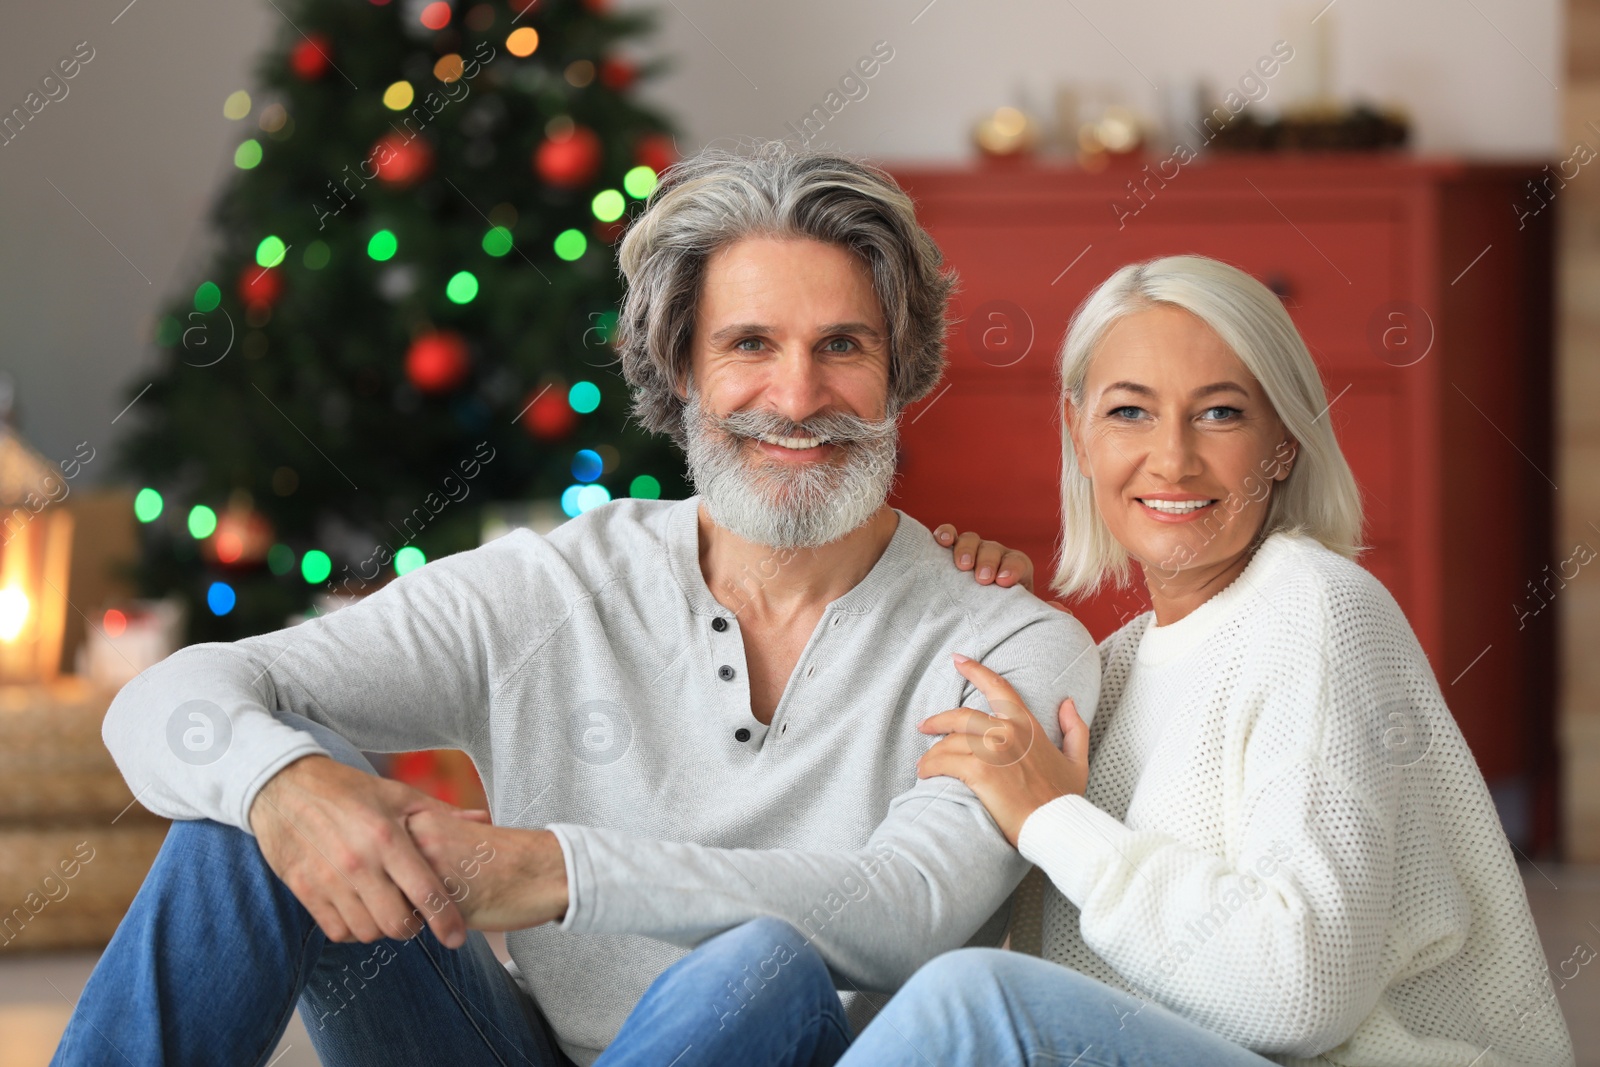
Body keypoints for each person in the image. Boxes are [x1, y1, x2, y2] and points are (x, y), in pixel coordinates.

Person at [52, 144, 1099, 1067]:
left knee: (767, 965)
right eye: (748, 344)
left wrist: (554, 870)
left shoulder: (1004, 638)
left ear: (898, 374)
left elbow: (905, 910)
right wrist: (284, 787)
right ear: (680, 365)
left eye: (842, 346)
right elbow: (171, 698)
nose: (794, 396)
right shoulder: (559, 583)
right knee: (253, 813)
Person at [593, 255, 1576, 1067]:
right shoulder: (1109, 667)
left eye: (1222, 413)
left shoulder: (1314, 606)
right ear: (1076, 430)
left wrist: (1054, 817)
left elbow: (1299, 992)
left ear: (1284, 442)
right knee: (770, 966)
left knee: (978, 1003)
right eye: (1129, 412)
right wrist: (943, 613)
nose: (1173, 460)